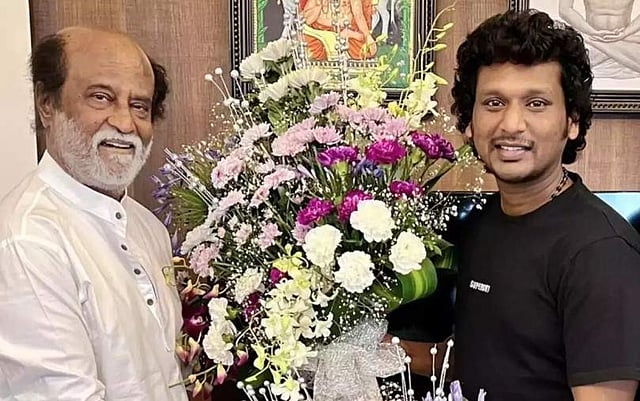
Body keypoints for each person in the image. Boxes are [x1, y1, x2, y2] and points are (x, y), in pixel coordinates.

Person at [450, 9, 640, 400]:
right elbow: (486, 362)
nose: (511, 124)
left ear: (572, 121)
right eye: (493, 103)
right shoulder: (482, 224)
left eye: (536, 103)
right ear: (470, 122)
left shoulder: (599, 251)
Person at [0, 27, 188, 401]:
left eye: (140, 106)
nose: (125, 123)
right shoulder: (28, 241)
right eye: (101, 98)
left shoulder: (147, 226)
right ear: (47, 104)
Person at [559, 0, 640, 79]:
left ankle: (607, 51)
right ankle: (611, 52)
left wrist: (625, 33)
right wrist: (591, 32)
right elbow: (564, 10)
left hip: (625, 39)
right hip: (591, 39)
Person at [300, 0, 377, 60]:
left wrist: (367, 36)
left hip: (346, 33)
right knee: (303, 41)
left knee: (365, 49)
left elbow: (358, 15)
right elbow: (306, 20)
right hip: (320, 33)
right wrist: (318, 5)